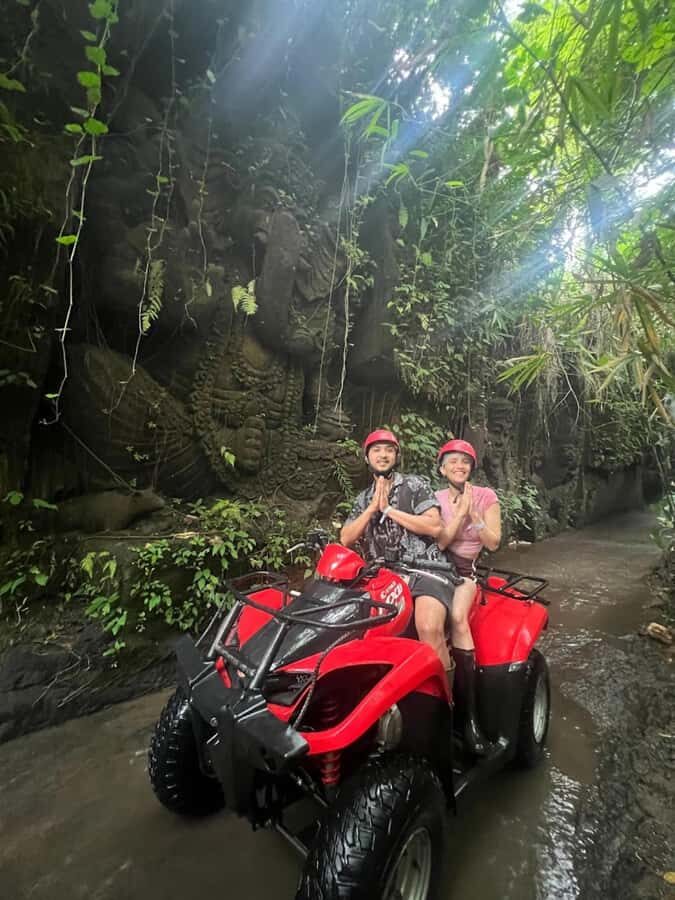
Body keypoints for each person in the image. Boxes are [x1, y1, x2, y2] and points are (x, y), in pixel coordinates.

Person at [340, 429, 460, 697]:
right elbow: (346, 538)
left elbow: (435, 527)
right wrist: (373, 508)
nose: (383, 455)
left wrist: (390, 510)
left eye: (389, 450)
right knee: (355, 631)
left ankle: (445, 705)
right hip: (383, 576)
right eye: (376, 450)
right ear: (367, 457)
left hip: (427, 568)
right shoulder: (363, 499)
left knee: (428, 627)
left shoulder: (415, 485)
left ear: (397, 455)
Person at [435, 438, 502, 755]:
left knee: (458, 618)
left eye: (464, 461)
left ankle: (467, 718)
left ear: (471, 467)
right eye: (452, 461)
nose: (459, 466)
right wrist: (456, 515)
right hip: (434, 566)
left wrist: (471, 514)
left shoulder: (486, 497)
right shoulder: (434, 499)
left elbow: (493, 543)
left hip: (464, 571)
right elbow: (437, 543)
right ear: (442, 468)